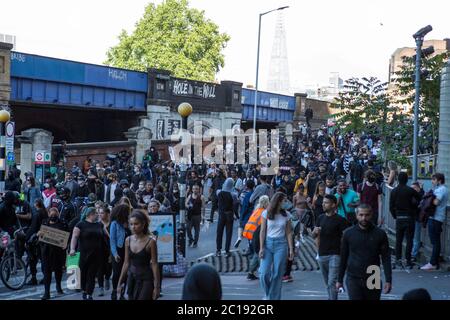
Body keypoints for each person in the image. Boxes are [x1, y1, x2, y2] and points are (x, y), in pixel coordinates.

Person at [337, 204, 392, 300]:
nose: (364, 218)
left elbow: (386, 258)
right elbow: (343, 257)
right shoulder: (348, 233)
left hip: (373, 277)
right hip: (353, 278)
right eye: (361, 215)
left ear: (371, 215)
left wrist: (388, 280)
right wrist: (339, 280)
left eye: (367, 215)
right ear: (356, 215)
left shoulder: (380, 234)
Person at [312, 195, 349, 300]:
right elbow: (313, 236)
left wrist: (345, 252)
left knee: (331, 281)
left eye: (326, 202)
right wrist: (314, 232)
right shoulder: (320, 218)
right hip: (322, 254)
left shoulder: (340, 220)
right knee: (327, 282)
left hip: (335, 254)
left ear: (333, 205)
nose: (323, 204)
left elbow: (347, 237)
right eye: (323, 202)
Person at [117, 210, 160, 300]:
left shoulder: (151, 242)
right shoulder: (128, 240)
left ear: (143, 224)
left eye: (136, 224)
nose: (133, 227)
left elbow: (155, 264)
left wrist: (157, 287)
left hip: (146, 279)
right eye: (131, 224)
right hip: (132, 278)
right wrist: (119, 283)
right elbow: (126, 263)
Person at [259, 192, 294, 300]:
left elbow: (288, 232)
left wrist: (291, 249)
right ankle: (269, 294)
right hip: (268, 244)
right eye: (285, 200)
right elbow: (262, 231)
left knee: (277, 274)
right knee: (264, 273)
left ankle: (273, 298)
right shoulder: (266, 213)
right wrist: (261, 247)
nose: (286, 203)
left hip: (281, 245)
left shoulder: (287, 215)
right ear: (278, 201)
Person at [70, 207, 108, 300]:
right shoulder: (80, 224)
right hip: (83, 254)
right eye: (96, 213)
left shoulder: (99, 224)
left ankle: (89, 294)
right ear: (90, 214)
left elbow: (106, 236)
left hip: (96, 254)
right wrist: (72, 249)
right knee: (83, 273)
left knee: (91, 274)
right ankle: (84, 290)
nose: (98, 215)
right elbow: (74, 237)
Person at [389, 172, 421, 269]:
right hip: (409, 217)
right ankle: (408, 260)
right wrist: (413, 207)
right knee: (409, 240)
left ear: (398, 179)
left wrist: (395, 215)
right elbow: (419, 198)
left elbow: (391, 207)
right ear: (407, 180)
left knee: (399, 239)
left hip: (399, 217)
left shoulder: (394, 191)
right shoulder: (410, 190)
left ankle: (398, 259)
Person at [38, 207, 68, 300]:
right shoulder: (44, 222)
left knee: (58, 270)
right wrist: (39, 234)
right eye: (51, 213)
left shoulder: (62, 223)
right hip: (46, 252)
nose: (53, 215)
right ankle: (47, 293)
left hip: (58, 252)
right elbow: (40, 235)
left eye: (55, 213)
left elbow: (67, 235)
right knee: (47, 272)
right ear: (48, 214)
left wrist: (66, 244)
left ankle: (58, 286)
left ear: (58, 214)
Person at [421, 173, 448, 271]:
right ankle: (434, 261)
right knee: (435, 241)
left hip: (436, 218)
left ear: (439, 180)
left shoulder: (441, 190)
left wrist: (430, 197)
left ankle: (433, 263)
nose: (432, 181)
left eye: (434, 179)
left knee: (435, 242)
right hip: (435, 218)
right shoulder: (439, 189)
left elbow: (436, 202)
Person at [243, 195, 270, 281]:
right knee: (260, 253)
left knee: (256, 253)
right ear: (266, 203)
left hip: (250, 235)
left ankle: (252, 273)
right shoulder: (264, 212)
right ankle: (261, 271)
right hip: (257, 235)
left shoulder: (257, 210)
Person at [110, 204, 131, 300]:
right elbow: (112, 240)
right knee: (117, 273)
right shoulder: (115, 224)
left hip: (128, 250)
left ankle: (122, 293)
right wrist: (115, 254)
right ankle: (114, 291)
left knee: (126, 273)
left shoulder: (130, 223)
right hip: (119, 250)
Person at [25, 199, 48, 286]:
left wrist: (27, 238)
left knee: (32, 259)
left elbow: (33, 228)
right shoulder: (45, 213)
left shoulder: (37, 214)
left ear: (36, 204)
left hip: (35, 240)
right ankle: (45, 277)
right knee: (43, 259)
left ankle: (33, 278)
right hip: (43, 238)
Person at [216, 178, 238, 257]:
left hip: (221, 214)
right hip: (229, 215)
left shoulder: (219, 192)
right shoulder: (233, 194)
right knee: (228, 233)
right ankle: (227, 251)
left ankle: (218, 250)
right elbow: (235, 202)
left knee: (219, 232)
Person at [97, 205, 112, 297]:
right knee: (99, 269)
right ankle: (101, 288)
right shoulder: (97, 224)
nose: (100, 215)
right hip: (99, 250)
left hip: (109, 249)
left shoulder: (112, 224)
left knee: (108, 268)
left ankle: (107, 278)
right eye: (98, 213)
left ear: (107, 214)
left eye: (102, 213)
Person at [236, 179, 256, 248]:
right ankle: (250, 246)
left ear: (247, 186)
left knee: (243, 227)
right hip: (254, 214)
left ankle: (240, 237)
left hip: (247, 214)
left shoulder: (247, 195)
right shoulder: (255, 194)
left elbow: (245, 207)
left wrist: (241, 216)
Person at [186, 184, 206, 248]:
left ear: (199, 190)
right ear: (192, 190)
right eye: (194, 189)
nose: (195, 190)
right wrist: (188, 206)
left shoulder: (201, 197)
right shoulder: (190, 196)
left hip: (197, 216)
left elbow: (203, 207)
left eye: (196, 189)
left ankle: (195, 242)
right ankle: (191, 239)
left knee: (197, 230)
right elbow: (186, 203)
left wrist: (203, 216)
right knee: (188, 228)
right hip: (190, 215)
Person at [411, 182, 424, 262]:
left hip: (416, 219)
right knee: (413, 237)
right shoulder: (414, 195)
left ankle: (414, 255)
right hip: (413, 218)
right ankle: (412, 253)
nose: (412, 190)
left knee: (416, 238)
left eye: (413, 188)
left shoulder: (419, 196)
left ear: (417, 188)